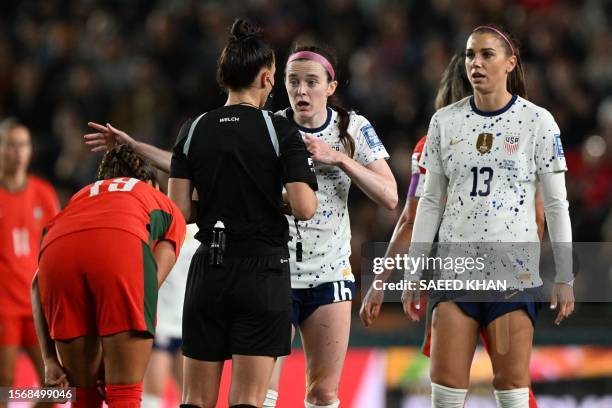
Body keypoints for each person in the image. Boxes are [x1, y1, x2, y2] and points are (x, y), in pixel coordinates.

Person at [400, 25, 573, 408]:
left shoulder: (538, 122)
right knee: (444, 392)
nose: (475, 63)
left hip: (512, 274)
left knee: (511, 390)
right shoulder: (444, 121)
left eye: (486, 54)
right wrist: (414, 273)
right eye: (469, 55)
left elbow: (557, 204)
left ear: (510, 63)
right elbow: (429, 203)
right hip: (455, 271)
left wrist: (564, 274)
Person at [359, 52, 542, 408]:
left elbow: (412, 219)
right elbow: (539, 215)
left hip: (457, 276)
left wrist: (381, 283)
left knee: (448, 393)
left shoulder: (433, 144)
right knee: (515, 389)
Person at [172, 19, 319, 408]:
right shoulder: (279, 131)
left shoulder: (192, 129)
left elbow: (180, 211)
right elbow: (305, 207)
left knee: (194, 400)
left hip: (208, 271)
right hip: (262, 271)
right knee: (248, 400)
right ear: (268, 79)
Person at [262, 44, 398, 408]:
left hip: (330, 272)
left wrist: (337, 158)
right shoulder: (271, 127)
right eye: (293, 82)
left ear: (331, 86)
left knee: (323, 394)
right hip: (277, 271)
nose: (301, 91)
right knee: (262, 393)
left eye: (311, 82)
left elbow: (389, 196)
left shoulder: (352, 126)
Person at [32, 143, 186, 408]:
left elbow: (37, 285)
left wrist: (49, 360)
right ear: (149, 181)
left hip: (56, 255)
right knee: (123, 395)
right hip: (120, 252)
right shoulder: (159, 200)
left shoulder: (81, 195)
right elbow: (147, 283)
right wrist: (117, 355)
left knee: (83, 397)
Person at [0, 120, 59, 408]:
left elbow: (58, 245)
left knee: (58, 387)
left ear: (30, 150)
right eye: (10, 144)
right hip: (3, 307)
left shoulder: (43, 193)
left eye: (22, 144)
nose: (17, 152)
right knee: (4, 382)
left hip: (36, 304)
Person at [142, 223, 198, 408]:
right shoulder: (161, 225)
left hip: (190, 323)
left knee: (191, 394)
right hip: (162, 322)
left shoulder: (204, 227)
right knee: (153, 391)